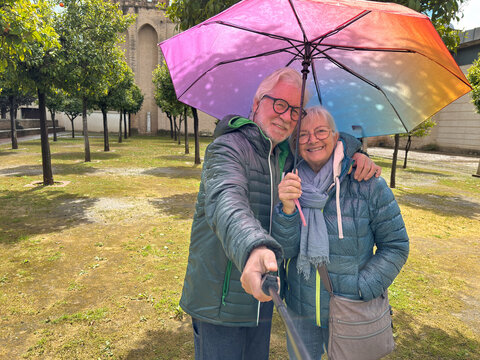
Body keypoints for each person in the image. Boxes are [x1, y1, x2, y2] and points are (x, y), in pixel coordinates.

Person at [180, 68, 381, 360]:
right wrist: (253, 247)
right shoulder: (227, 148)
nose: (287, 116)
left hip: (262, 298)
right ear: (256, 103)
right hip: (220, 302)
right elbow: (226, 199)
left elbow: (326, 143)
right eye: (279, 104)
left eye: (295, 111)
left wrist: (355, 153)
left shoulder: (284, 155)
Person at [272, 106, 409, 359]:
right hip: (301, 311)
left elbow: (396, 245)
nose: (312, 139)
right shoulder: (289, 183)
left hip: (350, 309)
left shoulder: (367, 182)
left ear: (336, 137)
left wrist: (362, 287)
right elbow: (286, 251)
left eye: (321, 131)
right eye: (303, 135)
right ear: (295, 143)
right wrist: (288, 210)